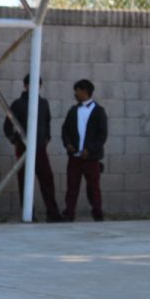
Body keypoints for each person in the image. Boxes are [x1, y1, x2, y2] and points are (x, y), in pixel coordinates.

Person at [3, 74, 63, 222]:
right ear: (25, 86)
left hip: (40, 149)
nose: (34, 87)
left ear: (40, 86)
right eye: (31, 84)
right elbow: (7, 126)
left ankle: (53, 213)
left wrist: (46, 138)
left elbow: (47, 122)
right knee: (24, 181)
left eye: (37, 84)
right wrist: (15, 140)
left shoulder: (43, 103)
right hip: (23, 149)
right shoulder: (18, 104)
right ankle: (29, 214)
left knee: (47, 179)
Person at [61, 79, 108, 222]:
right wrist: (67, 144)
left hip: (91, 158)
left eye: (77, 91)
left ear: (85, 92)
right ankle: (69, 213)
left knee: (93, 187)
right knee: (72, 187)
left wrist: (90, 149)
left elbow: (102, 135)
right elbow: (65, 130)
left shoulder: (99, 111)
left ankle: (97, 213)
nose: (75, 94)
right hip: (74, 157)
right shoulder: (73, 110)